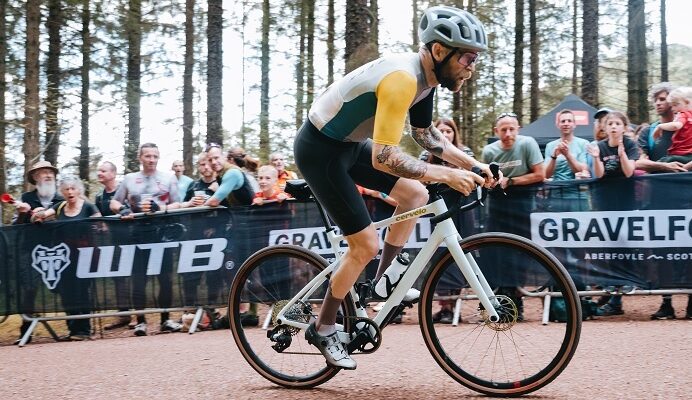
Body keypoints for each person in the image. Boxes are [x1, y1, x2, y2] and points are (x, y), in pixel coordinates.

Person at [294, 5, 495, 369]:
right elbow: (384, 157)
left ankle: (383, 282)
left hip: (348, 145)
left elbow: (427, 137)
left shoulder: (426, 78)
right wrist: (446, 175)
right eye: (468, 58)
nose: (471, 68)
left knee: (415, 194)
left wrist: (472, 164)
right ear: (439, 50)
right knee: (364, 245)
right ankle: (323, 327)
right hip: (320, 151)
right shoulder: (403, 79)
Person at [110, 143, 183, 336]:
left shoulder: (168, 178)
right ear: (140, 158)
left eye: (155, 156)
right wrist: (122, 209)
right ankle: (140, 322)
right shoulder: (129, 178)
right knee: (138, 279)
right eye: (148, 156)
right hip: (137, 233)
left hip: (162, 233)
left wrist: (160, 209)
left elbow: (178, 204)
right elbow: (114, 202)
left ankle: (165, 320)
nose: (151, 160)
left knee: (165, 278)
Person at [481, 112, 545, 321]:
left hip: (522, 207)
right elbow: (484, 180)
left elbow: (540, 174)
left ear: (518, 129)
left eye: (511, 129)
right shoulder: (489, 151)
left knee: (521, 253)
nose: (508, 134)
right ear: (496, 131)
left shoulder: (528, 144)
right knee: (497, 252)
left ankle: (517, 300)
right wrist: (492, 182)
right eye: (503, 130)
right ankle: (499, 301)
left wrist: (511, 181)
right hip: (497, 207)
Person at [636, 83, 692, 319]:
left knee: (689, 248)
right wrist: (664, 166)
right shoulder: (649, 131)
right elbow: (638, 161)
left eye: (664, 98)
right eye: (656, 99)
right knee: (663, 250)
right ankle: (666, 302)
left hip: (688, 196)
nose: (660, 103)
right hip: (660, 198)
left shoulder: (688, 123)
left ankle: (691, 302)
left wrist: (686, 168)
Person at [31, 176, 102, 340]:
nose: (70, 192)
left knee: (82, 291)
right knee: (66, 292)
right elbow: (42, 215)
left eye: (73, 188)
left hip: (85, 255)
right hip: (64, 258)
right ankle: (73, 330)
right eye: (66, 189)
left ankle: (84, 330)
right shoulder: (59, 206)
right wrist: (37, 215)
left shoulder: (88, 206)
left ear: (79, 190)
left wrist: (96, 226)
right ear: (62, 192)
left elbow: (101, 224)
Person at [421, 117, 475, 324]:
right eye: (441, 131)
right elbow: (421, 177)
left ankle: (455, 306)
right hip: (438, 208)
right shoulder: (426, 154)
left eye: (448, 131)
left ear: (454, 133)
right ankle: (444, 307)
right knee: (439, 255)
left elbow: (471, 176)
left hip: (462, 208)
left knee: (461, 252)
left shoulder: (465, 152)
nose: (445, 134)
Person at [586, 111, 640, 316]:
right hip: (605, 202)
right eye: (610, 124)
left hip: (625, 201)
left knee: (625, 242)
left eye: (618, 123)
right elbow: (599, 174)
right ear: (605, 127)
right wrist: (596, 158)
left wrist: (622, 153)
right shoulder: (599, 146)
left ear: (624, 127)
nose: (614, 127)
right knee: (608, 244)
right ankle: (612, 284)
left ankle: (627, 282)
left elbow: (629, 172)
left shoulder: (630, 144)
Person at [12, 160, 64, 344]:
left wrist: (49, 216)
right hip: (31, 251)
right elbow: (16, 226)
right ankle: (26, 332)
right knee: (29, 289)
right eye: (43, 172)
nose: (48, 175)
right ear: (35, 177)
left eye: (51, 172)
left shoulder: (62, 198)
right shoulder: (26, 197)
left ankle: (77, 329)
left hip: (59, 250)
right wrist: (22, 213)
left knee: (66, 288)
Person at [94, 161, 134, 330]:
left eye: (103, 171)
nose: (99, 173)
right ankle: (123, 316)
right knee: (118, 278)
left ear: (113, 173)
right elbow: (99, 217)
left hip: (132, 239)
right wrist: (101, 226)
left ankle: (140, 317)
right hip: (112, 243)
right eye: (98, 170)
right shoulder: (99, 196)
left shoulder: (125, 190)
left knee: (135, 276)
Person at [544, 109, 590, 210]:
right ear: (558, 124)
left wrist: (567, 155)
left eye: (569, 121)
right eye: (563, 121)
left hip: (578, 196)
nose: (566, 124)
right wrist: (554, 157)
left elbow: (582, 170)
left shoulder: (583, 143)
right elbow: (546, 174)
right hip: (557, 196)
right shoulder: (550, 146)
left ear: (574, 124)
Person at [653, 86, 692, 166]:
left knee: (662, 162)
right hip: (689, 154)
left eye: (675, 105)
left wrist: (660, 126)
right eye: (671, 105)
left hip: (681, 153)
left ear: (687, 102)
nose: (672, 108)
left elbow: (676, 126)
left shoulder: (682, 114)